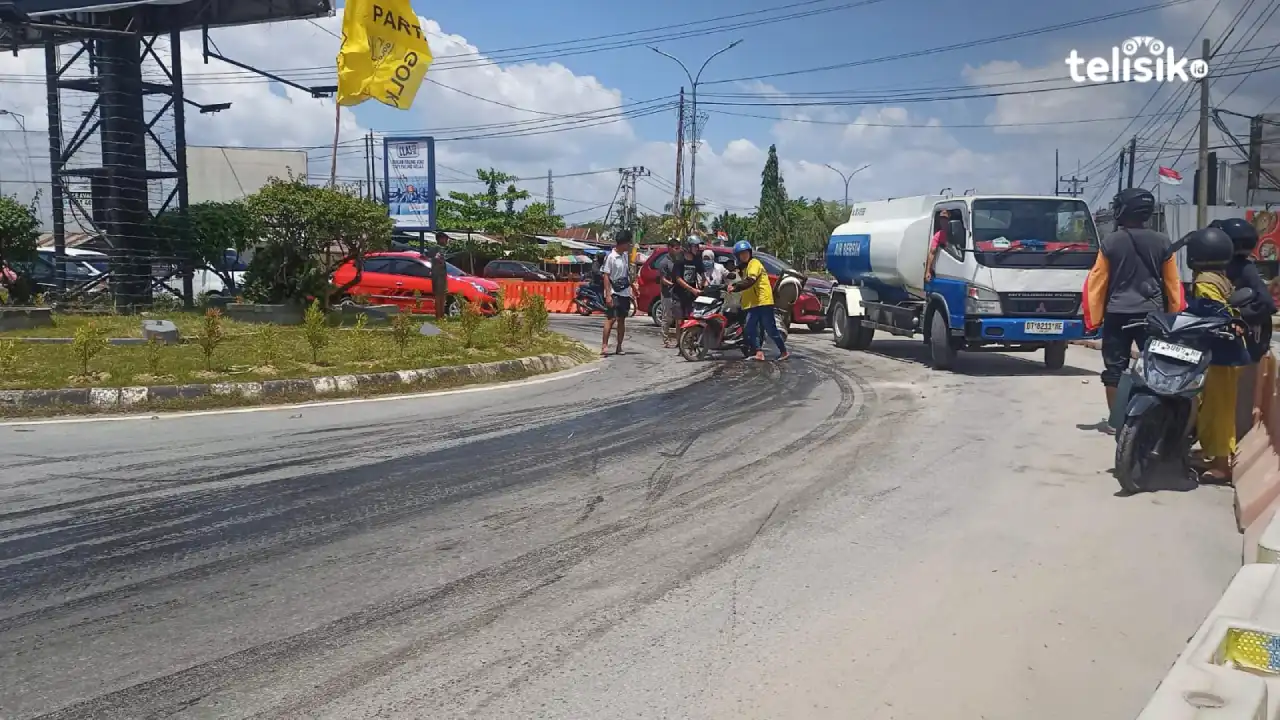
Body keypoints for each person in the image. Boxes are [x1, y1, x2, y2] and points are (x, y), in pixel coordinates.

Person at [1083, 187, 1185, 422]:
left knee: (1114, 370)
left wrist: (1094, 319)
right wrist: (1173, 316)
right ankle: (1153, 420)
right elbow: (1172, 283)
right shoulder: (1162, 242)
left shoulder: (1111, 242)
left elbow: (1096, 283)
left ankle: (1117, 421)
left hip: (1117, 314)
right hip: (1153, 315)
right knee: (1157, 367)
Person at [1184, 226, 1251, 484]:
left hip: (1222, 353)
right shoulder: (1218, 277)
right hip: (1224, 351)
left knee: (1218, 411)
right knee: (1210, 408)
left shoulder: (1204, 282)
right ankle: (1215, 455)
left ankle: (1222, 465)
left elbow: (1215, 314)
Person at [1214, 217, 1277, 361]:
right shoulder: (1223, 265)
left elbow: (1267, 303)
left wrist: (1238, 315)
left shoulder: (1244, 268)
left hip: (1249, 340)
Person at [727, 240, 789, 361]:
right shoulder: (743, 268)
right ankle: (758, 352)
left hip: (763, 301)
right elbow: (734, 275)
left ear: (750, 253)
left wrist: (735, 287)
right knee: (749, 328)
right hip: (752, 303)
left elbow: (750, 281)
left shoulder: (754, 263)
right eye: (741, 254)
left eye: (746, 253)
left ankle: (784, 351)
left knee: (770, 329)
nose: (744, 255)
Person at [601, 231, 637, 356]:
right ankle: (604, 346)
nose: (629, 245)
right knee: (611, 319)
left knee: (622, 320)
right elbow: (606, 275)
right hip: (614, 292)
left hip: (625, 292)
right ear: (622, 243)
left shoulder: (625, 256)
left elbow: (626, 275)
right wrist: (608, 294)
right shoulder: (611, 257)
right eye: (628, 243)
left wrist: (633, 288)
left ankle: (619, 346)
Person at [668, 241, 702, 335]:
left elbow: (703, 274)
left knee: (693, 318)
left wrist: (705, 286)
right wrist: (691, 289)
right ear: (688, 247)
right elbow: (678, 279)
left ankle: (690, 340)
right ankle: (680, 344)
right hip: (678, 295)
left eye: (697, 246)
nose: (697, 248)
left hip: (691, 296)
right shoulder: (680, 260)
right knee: (679, 321)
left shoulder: (697, 260)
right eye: (695, 246)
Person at [658, 237, 681, 347]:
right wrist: (672, 284)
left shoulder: (677, 261)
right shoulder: (664, 262)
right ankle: (666, 340)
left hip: (677, 293)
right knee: (667, 317)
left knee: (678, 317)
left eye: (678, 248)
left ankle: (679, 340)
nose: (678, 250)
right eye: (676, 248)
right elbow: (662, 279)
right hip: (667, 293)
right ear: (670, 248)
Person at [924, 209, 950, 283]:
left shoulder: (958, 231)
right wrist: (928, 271)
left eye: (945, 219)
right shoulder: (938, 235)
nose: (943, 221)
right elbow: (932, 252)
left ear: (949, 220)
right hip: (945, 269)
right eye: (941, 219)